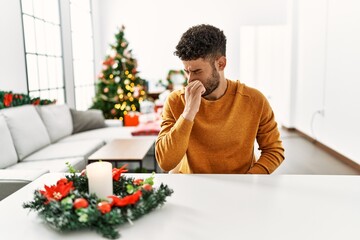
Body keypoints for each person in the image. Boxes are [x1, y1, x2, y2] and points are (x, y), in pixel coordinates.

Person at [155, 24, 284, 174]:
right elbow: (165, 162)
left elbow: (274, 150)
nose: (190, 81)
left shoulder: (254, 100)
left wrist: (249, 180)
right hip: (192, 188)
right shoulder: (176, 101)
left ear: (221, 64)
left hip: (241, 188)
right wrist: (188, 112)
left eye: (197, 71)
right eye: (187, 72)